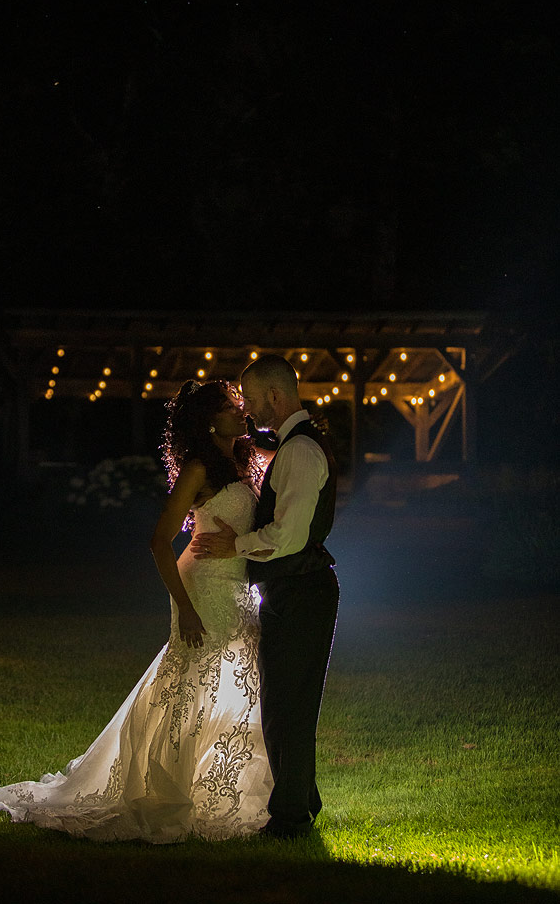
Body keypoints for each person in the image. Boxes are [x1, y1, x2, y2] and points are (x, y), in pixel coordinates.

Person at [0, 379, 273, 842]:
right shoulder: (199, 469)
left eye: (240, 405)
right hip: (202, 591)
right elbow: (160, 541)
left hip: (238, 589)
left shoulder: (241, 463)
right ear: (207, 420)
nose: (240, 411)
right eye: (229, 407)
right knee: (191, 687)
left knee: (233, 688)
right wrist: (185, 608)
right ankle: (166, 792)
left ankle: (222, 788)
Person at [191, 354, 339, 840]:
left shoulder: (298, 452)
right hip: (295, 590)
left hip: (299, 590)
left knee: (285, 709)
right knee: (288, 704)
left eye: (252, 401)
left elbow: (289, 536)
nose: (250, 411)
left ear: (275, 396)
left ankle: (291, 818)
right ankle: (304, 799)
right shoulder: (294, 446)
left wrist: (236, 545)